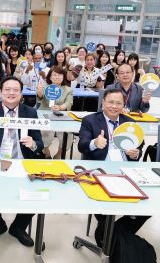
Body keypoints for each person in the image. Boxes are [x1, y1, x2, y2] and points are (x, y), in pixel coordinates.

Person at [0, 77, 44, 247]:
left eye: (15, 90)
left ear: (21, 93)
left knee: (37, 195)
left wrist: (33, 144)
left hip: (22, 161)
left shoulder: (30, 112)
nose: (11, 93)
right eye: (7, 89)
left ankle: (18, 227)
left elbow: (40, 143)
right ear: (0, 92)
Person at [78, 88, 147, 246]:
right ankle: (109, 236)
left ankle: (110, 233)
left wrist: (135, 154)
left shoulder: (130, 123)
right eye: (110, 102)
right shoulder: (90, 120)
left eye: (118, 103)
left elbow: (139, 146)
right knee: (104, 204)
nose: (114, 106)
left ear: (123, 105)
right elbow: (82, 145)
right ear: (103, 102)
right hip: (99, 170)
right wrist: (95, 143)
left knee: (146, 207)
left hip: (124, 171)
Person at [37, 66, 73, 159]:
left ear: (63, 76)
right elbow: (40, 98)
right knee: (45, 132)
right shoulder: (45, 87)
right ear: (50, 77)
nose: (57, 77)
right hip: (44, 114)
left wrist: (60, 107)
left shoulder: (68, 89)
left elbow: (69, 102)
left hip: (61, 115)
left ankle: (59, 154)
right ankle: (46, 151)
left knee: (68, 135)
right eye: (54, 75)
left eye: (60, 74)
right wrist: (39, 92)